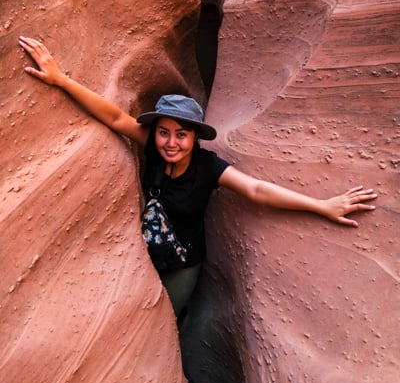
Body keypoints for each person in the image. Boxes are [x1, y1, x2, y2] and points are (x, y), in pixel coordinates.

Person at [18, 35, 377, 320]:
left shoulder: (208, 168)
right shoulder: (152, 149)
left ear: (195, 137)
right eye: (164, 132)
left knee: (164, 322)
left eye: (181, 134)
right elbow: (115, 117)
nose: (171, 143)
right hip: (145, 250)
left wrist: (322, 205)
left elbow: (255, 189)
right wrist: (60, 79)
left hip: (182, 264)